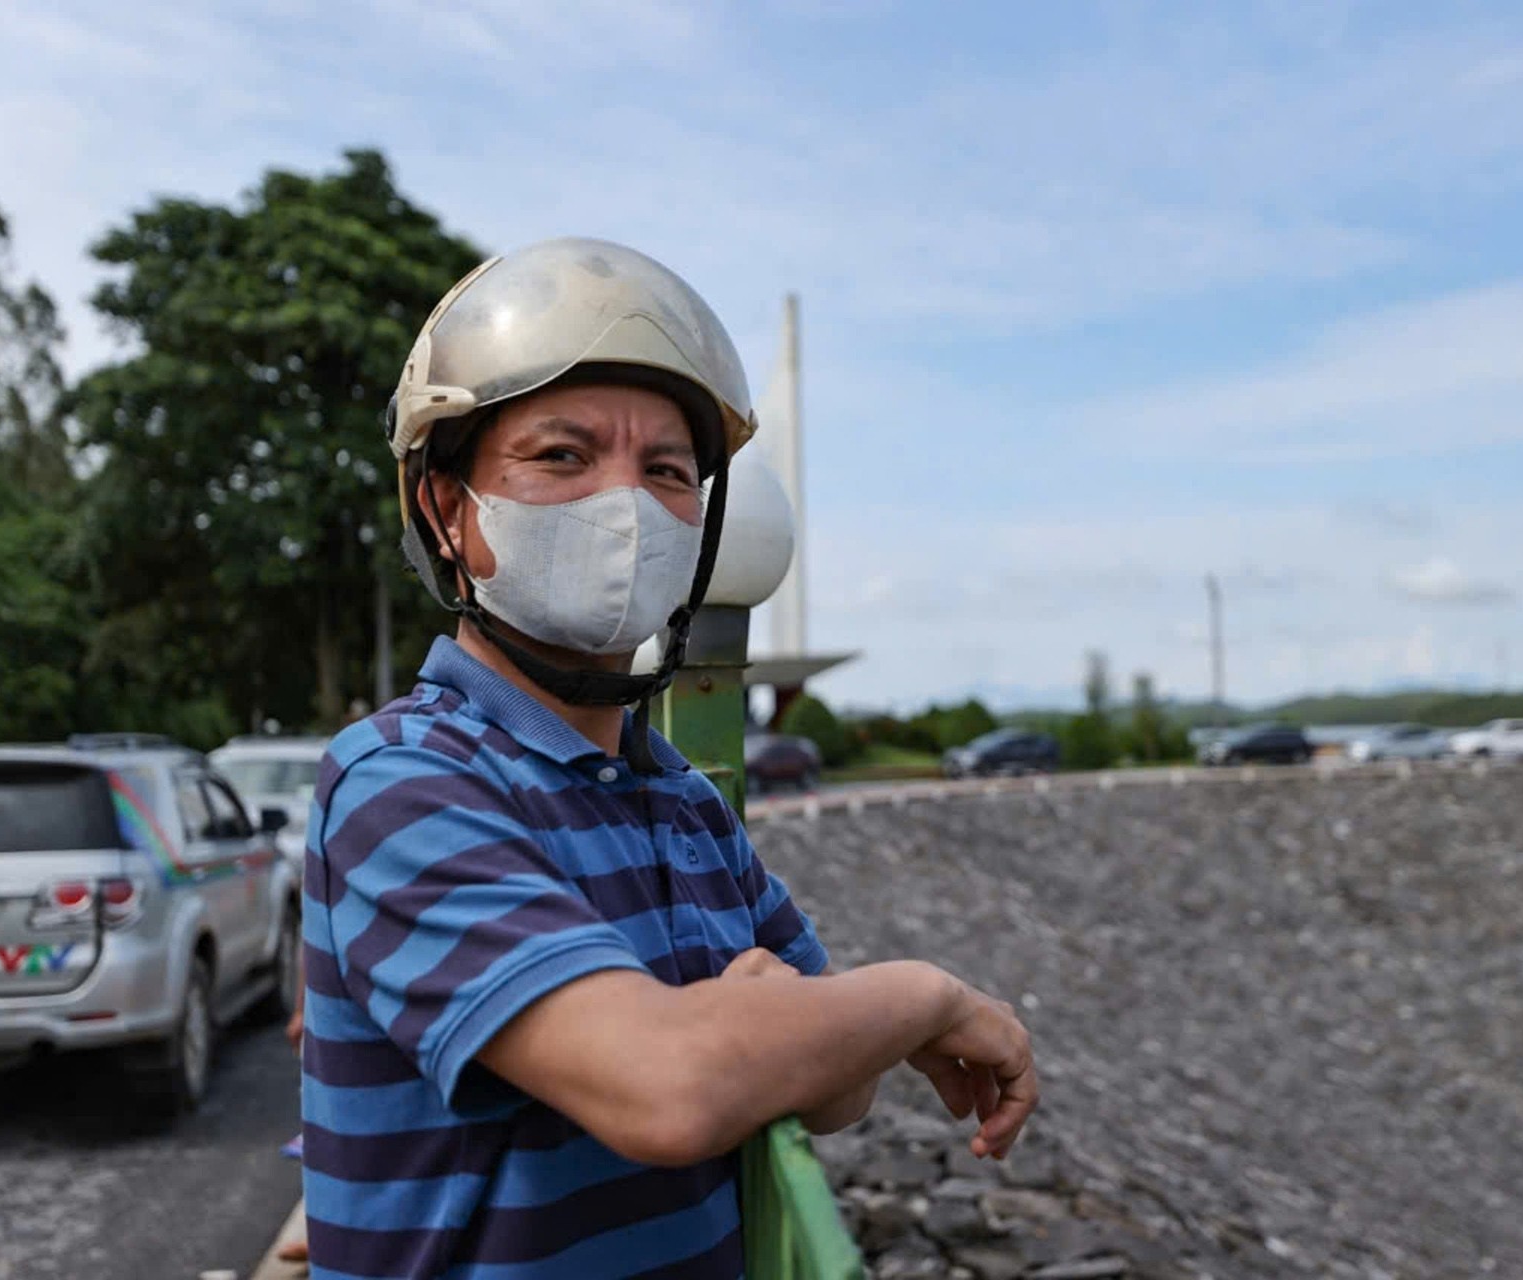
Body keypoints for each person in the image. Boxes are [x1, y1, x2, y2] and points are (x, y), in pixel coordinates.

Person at [300, 238, 1037, 1280]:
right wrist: (922, 996)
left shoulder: (684, 801)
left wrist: (777, 1027)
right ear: (447, 507)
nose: (624, 504)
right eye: (561, 455)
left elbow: (837, 1092)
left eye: (667, 470)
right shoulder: (402, 780)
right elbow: (672, 1087)